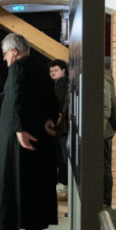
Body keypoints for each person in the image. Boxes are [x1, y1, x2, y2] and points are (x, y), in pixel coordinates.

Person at [0, 33, 58, 230]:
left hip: (18, 140)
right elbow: (51, 99)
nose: (4, 58)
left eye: (5, 53)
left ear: (14, 51)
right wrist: (50, 119)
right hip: (38, 137)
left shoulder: (17, 68)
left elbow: (15, 98)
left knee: (11, 181)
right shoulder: (39, 69)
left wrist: (18, 129)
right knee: (34, 183)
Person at [48, 59, 70, 195]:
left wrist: (60, 115)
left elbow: (62, 105)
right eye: (51, 71)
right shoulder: (57, 85)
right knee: (59, 155)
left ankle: (63, 181)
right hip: (57, 126)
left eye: (55, 70)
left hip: (61, 126)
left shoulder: (64, 85)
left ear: (63, 70)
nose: (52, 73)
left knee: (62, 156)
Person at [104, 66, 116, 210]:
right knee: (105, 166)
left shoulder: (103, 76)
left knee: (104, 167)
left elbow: (112, 103)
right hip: (105, 130)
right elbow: (114, 103)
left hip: (102, 130)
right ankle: (105, 202)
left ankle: (105, 201)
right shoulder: (106, 75)